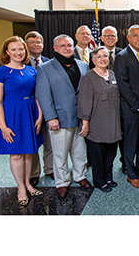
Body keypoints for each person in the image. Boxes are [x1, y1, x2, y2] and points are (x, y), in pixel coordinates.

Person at [0, 36, 44, 207]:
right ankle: (20, 187)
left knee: (29, 152)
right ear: (7, 52)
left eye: (20, 49)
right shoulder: (0, 72)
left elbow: (37, 95)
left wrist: (40, 116)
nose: (18, 52)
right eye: (13, 49)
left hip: (30, 112)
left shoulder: (31, 70)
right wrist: (3, 126)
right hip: (11, 115)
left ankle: (28, 183)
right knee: (16, 153)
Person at [36, 34, 91, 198]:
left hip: (80, 116)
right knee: (60, 153)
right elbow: (43, 95)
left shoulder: (83, 65)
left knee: (80, 150)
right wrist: (50, 117)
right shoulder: (45, 68)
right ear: (55, 48)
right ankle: (62, 182)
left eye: (69, 45)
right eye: (63, 46)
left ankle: (80, 175)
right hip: (58, 118)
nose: (67, 48)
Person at [113, 25, 139, 188]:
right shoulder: (122, 56)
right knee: (130, 143)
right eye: (135, 35)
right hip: (131, 109)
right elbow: (123, 86)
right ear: (128, 38)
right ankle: (131, 174)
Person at [78, 47, 122, 192]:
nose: (103, 59)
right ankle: (99, 181)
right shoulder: (88, 77)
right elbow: (84, 102)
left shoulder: (112, 74)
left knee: (111, 153)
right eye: (99, 57)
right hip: (96, 122)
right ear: (93, 60)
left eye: (105, 56)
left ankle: (108, 177)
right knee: (98, 155)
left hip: (113, 122)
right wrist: (85, 123)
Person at [25, 31, 54, 186]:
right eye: (32, 42)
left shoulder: (48, 62)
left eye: (38, 42)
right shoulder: (21, 63)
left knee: (50, 141)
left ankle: (50, 169)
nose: (35, 45)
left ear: (43, 45)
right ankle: (34, 173)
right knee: (33, 142)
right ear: (27, 45)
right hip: (29, 108)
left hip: (47, 106)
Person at [100, 26, 126, 174]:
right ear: (102, 38)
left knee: (123, 134)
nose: (110, 38)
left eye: (113, 35)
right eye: (107, 35)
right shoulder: (95, 54)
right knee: (105, 135)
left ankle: (124, 162)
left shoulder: (123, 53)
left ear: (117, 38)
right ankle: (104, 166)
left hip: (122, 101)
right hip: (104, 103)